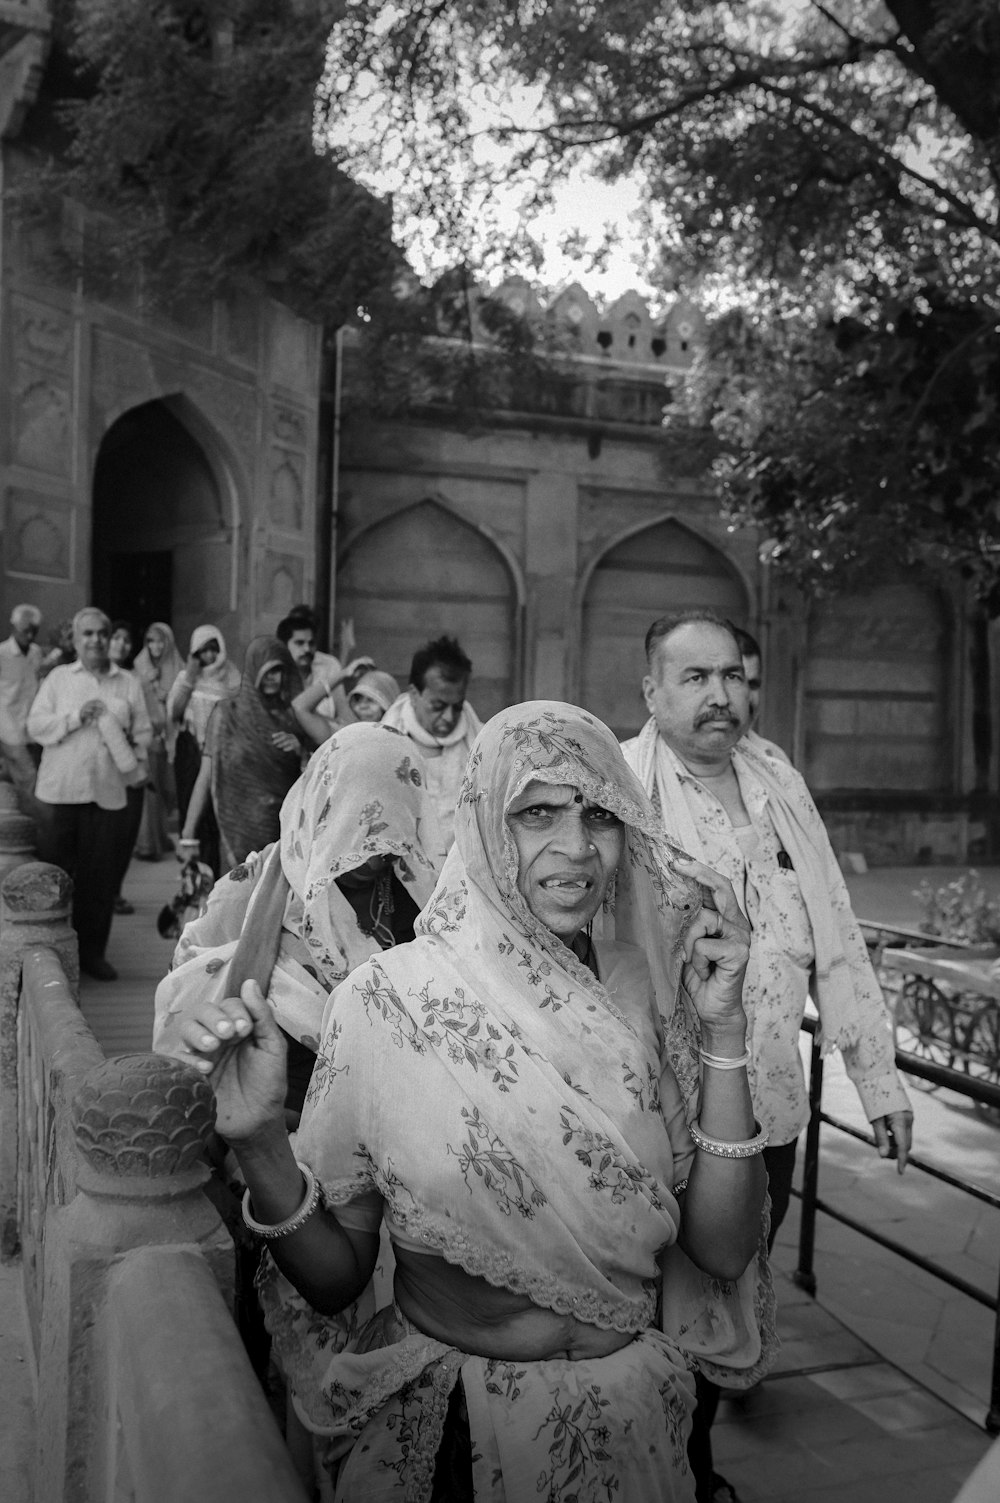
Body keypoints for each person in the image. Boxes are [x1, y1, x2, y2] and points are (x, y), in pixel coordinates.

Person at [164, 701, 776, 1502]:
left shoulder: (652, 990)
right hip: (452, 1439)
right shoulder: (393, 998)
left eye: (599, 813)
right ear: (486, 823)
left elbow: (723, 1251)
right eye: (537, 813)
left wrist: (724, 1030)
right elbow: (337, 1277)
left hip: (632, 1431)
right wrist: (258, 1145)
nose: (577, 847)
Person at [621, 610, 913, 1502]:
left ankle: (695, 1464)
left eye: (732, 677)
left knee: (730, 1288)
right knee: (645, 1307)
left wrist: (879, 1079)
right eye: (696, 678)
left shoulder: (776, 779)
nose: (721, 696)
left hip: (768, 1109)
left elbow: (834, 934)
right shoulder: (621, 788)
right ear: (653, 691)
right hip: (650, 1112)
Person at [153, 721, 442, 1114]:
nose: (374, 859)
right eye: (357, 836)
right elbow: (188, 980)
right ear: (324, 809)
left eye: (388, 839)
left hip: (399, 1110)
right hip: (277, 1117)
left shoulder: (417, 893)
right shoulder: (250, 893)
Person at [27, 607, 152, 981]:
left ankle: (92, 954)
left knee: (99, 879)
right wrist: (76, 717)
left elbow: (145, 734)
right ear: (76, 641)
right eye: (88, 635)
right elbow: (35, 726)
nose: (96, 640)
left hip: (107, 794)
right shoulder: (58, 679)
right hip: (59, 795)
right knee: (54, 875)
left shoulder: (127, 682)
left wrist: (132, 741)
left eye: (102, 633)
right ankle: (46, 957)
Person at [180, 636, 305, 874]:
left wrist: (300, 751)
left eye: (278, 671)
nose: (272, 678)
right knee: (236, 903)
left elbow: (316, 776)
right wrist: (188, 834)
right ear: (253, 671)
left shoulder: (294, 718)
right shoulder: (227, 714)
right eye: (266, 671)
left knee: (275, 905)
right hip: (235, 831)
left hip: (282, 835)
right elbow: (206, 776)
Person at [381, 634, 481, 861]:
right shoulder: (382, 743)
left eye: (457, 707)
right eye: (438, 706)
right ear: (414, 694)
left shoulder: (482, 745)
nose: (448, 717)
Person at [167, 625, 241, 875]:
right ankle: (197, 873)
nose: (209, 656)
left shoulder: (232, 678)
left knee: (218, 816)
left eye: (213, 649)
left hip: (222, 754)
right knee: (193, 811)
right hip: (190, 753)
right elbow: (174, 712)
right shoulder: (186, 677)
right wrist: (189, 676)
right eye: (203, 650)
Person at [278, 611, 373, 742]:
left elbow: (343, 713)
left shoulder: (328, 665)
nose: (306, 649)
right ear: (283, 646)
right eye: (299, 643)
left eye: (311, 643)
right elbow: (296, 709)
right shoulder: (274, 676)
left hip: (325, 741)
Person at [132, 621, 184, 859]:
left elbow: (183, 700)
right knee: (150, 792)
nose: (155, 646)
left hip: (170, 736)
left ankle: (160, 838)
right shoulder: (139, 666)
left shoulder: (178, 667)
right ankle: (147, 844)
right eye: (151, 641)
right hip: (147, 735)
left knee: (164, 791)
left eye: (160, 640)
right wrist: (147, 683)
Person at [0, 603, 45, 815]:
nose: (29, 635)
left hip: (31, 729)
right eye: (25, 629)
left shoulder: (36, 653)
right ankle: (34, 831)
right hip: (8, 728)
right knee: (30, 780)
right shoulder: (2, 654)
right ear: (14, 627)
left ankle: (20, 830)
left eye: (34, 630)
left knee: (19, 782)